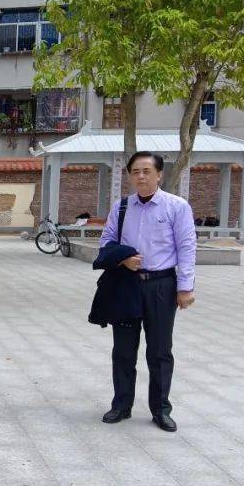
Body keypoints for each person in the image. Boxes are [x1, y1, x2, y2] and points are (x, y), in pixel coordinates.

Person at [98, 151, 196, 433]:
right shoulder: (122, 207)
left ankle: (161, 409)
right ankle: (121, 405)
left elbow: (186, 247)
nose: (140, 176)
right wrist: (123, 258)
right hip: (127, 284)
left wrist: (185, 287)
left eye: (146, 171)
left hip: (161, 286)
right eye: (135, 172)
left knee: (160, 351)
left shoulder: (176, 207)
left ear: (159, 174)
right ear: (130, 176)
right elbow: (106, 242)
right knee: (123, 350)